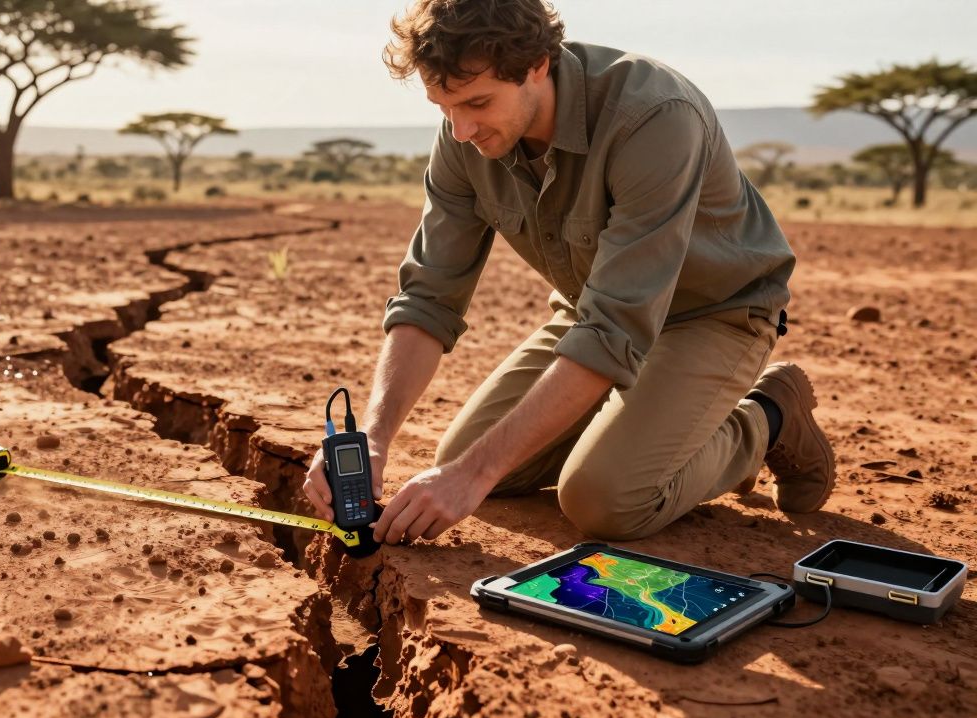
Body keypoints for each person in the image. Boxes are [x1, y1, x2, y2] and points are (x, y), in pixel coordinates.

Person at [301, 0, 836, 544]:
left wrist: (471, 477)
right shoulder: (463, 139)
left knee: (603, 499)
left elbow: (616, 328)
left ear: (538, 64)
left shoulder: (654, 116)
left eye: (478, 103)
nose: (461, 130)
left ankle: (768, 416)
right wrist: (372, 438)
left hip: (712, 314)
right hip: (593, 314)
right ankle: (639, 419)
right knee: (465, 457)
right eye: (444, 107)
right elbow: (428, 298)